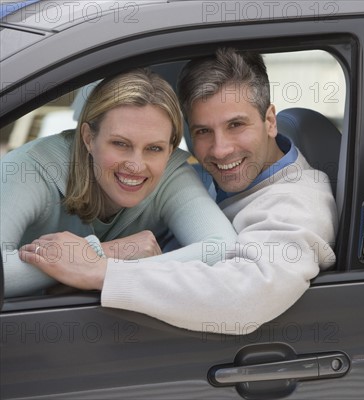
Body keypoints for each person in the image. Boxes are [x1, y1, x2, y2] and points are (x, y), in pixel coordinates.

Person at [19, 48, 338, 334]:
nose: (220, 149)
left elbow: (244, 297)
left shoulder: (299, 201)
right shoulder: (202, 177)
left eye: (236, 125)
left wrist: (103, 272)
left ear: (270, 120)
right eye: (202, 131)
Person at [2, 68, 237, 298]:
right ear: (88, 138)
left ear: (169, 149)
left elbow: (223, 249)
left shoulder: (170, 174)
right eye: (120, 144)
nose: (136, 165)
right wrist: (108, 252)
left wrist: (101, 271)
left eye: (154, 148)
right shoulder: (29, 169)